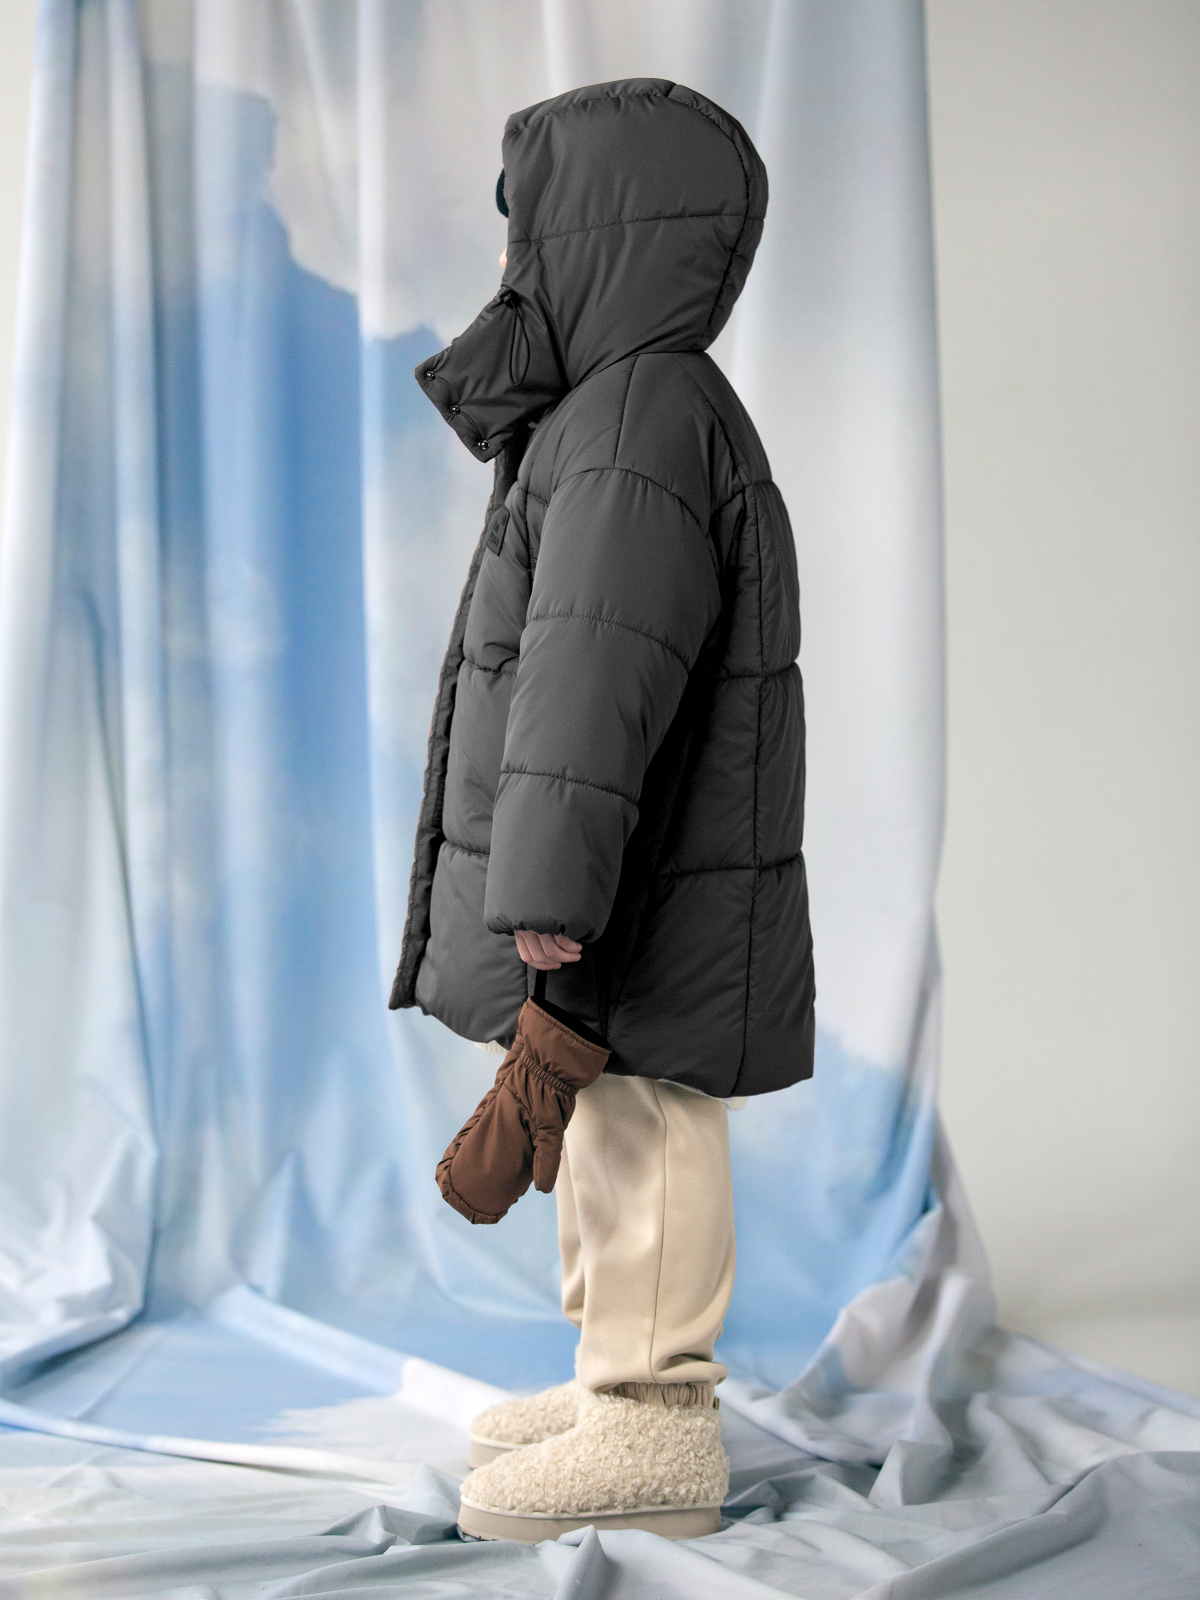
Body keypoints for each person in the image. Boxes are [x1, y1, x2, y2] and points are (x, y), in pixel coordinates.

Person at [390, 77, 815, 1541]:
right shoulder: (613, 411)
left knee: (640, 1112)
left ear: (601, 237)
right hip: (637, 859)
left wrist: (550, 889)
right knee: (599, 1104)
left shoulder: (638, 419)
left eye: (530, 232)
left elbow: (592, 678)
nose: (511, 263)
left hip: (639, 866)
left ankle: (654, 1420)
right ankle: (611, 1381)